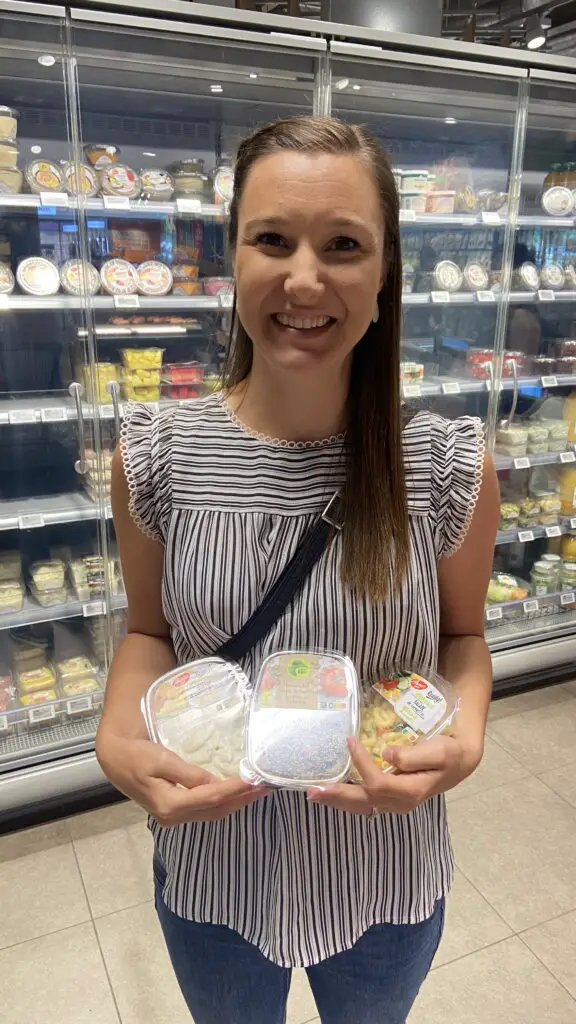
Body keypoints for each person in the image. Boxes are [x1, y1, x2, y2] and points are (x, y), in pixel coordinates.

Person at [96, 115, 499, 1024]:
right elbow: (148, 634)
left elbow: (465, 641)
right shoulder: (156, 455)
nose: (304, 278)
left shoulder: (445, 465)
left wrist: (463, 738)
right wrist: (117, 741)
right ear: (231, 254)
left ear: (386, 268)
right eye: (272, 239)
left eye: (344, 245)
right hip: (213, 873)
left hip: (384, 873)